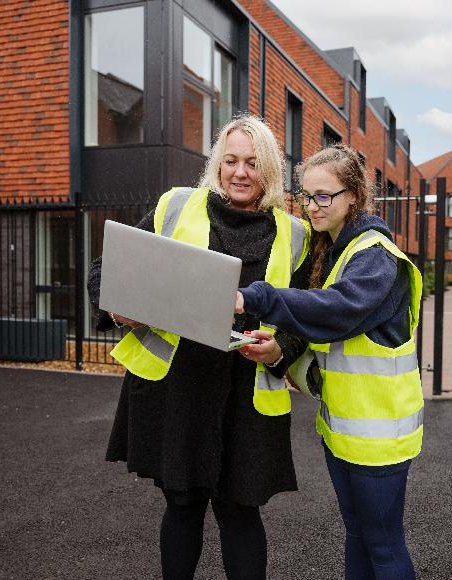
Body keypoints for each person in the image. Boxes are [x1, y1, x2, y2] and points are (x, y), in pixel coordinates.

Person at [87, 113, 310, 580]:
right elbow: (109, 269)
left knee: (239, 512)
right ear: (217, 163)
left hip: (246, 397)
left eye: (252, 162)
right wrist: (119, 305)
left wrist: (280, 349)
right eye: (230, 160)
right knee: (183, 506)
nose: (240, 172)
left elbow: (305, 314)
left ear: (269, 168)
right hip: (179, 390)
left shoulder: (295, 234)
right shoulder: (176, 207)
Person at [236, 144, 424, 579]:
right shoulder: (336, 249)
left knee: (383, 544)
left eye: (324, 196)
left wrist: (258, 296)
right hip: (347, 430)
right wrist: (279, 350)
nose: (312, 206)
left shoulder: (374, 256)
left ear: (353, 196)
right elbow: (312, 328)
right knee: (360, 535)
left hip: (379, 437)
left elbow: (335, 310)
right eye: (306, 196)